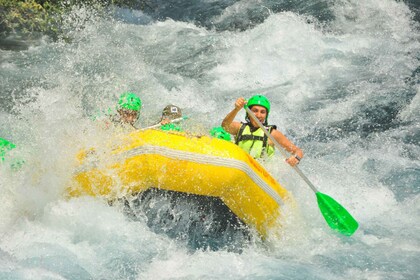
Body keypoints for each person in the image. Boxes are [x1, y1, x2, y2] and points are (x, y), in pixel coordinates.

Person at [221, 95, 303, 166]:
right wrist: (236, 109)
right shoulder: (239, 127)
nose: (258, 115)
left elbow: (297, 151)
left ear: (266, 115)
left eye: (262, 112)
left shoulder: (272, 134)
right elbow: (225, 126)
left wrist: (296, 158)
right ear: (248, 113)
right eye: (255, 111)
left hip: (261, 173)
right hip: (240, 165)